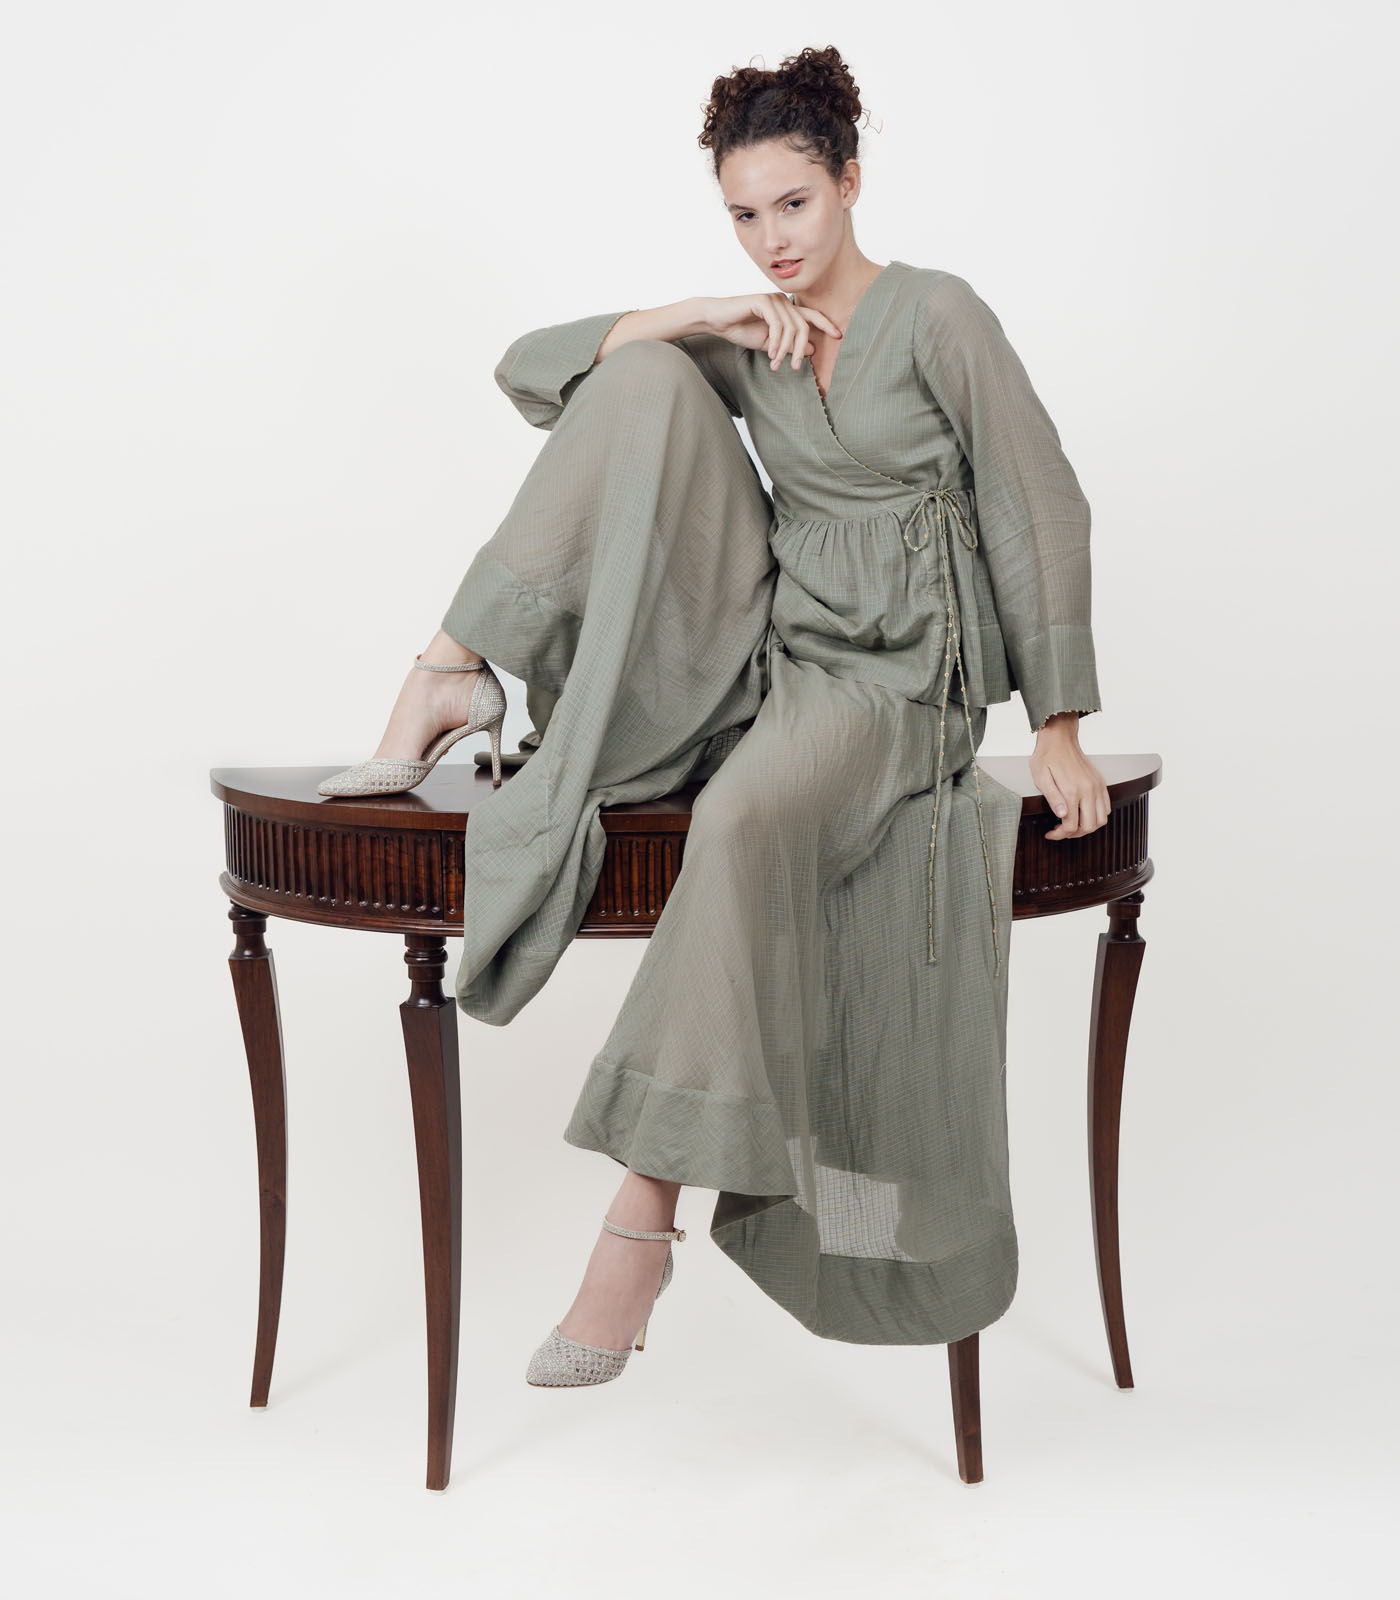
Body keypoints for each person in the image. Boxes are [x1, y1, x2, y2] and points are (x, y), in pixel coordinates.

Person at [318, 45, 1110, 1387]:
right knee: (636, 381)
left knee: (736, 826)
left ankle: (640, 1224)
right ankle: (453, 663)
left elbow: (1039, 500)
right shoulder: (761, 329)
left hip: (894, 685)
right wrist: (705, 315)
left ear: (849, 181)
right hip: (767, 653)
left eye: (794, 203)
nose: (772, 238)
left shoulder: (938, 315)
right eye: (744, 215)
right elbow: (532, 377)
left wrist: (1058, 721)